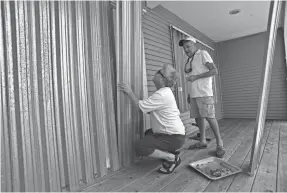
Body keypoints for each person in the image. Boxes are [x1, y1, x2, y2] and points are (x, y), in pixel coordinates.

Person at [118, 64, 185, 174]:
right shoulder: (165, 93)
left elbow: (140, 108)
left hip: (174, 137)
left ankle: (172, 158)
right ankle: (170, 151)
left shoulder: (162, 95)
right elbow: (149, 110)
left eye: (160, 71)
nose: (156, 72)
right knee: (148, 133)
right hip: (176, 136)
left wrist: (129, 91)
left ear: (163, 80)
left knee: (140, 146)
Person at [179, 36, 226, 158]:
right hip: (194, 94)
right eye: (184, 48)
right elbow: (192, 78)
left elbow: (214, 71)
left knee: (210, 117)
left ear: (195, 45)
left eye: (188, 46)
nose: (186, 49)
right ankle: (202, 141)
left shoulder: (202, 54)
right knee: (198, 118)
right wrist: (189, 94)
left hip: (204, 93)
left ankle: (220, 144)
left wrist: (196, 77)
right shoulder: (190, 60)